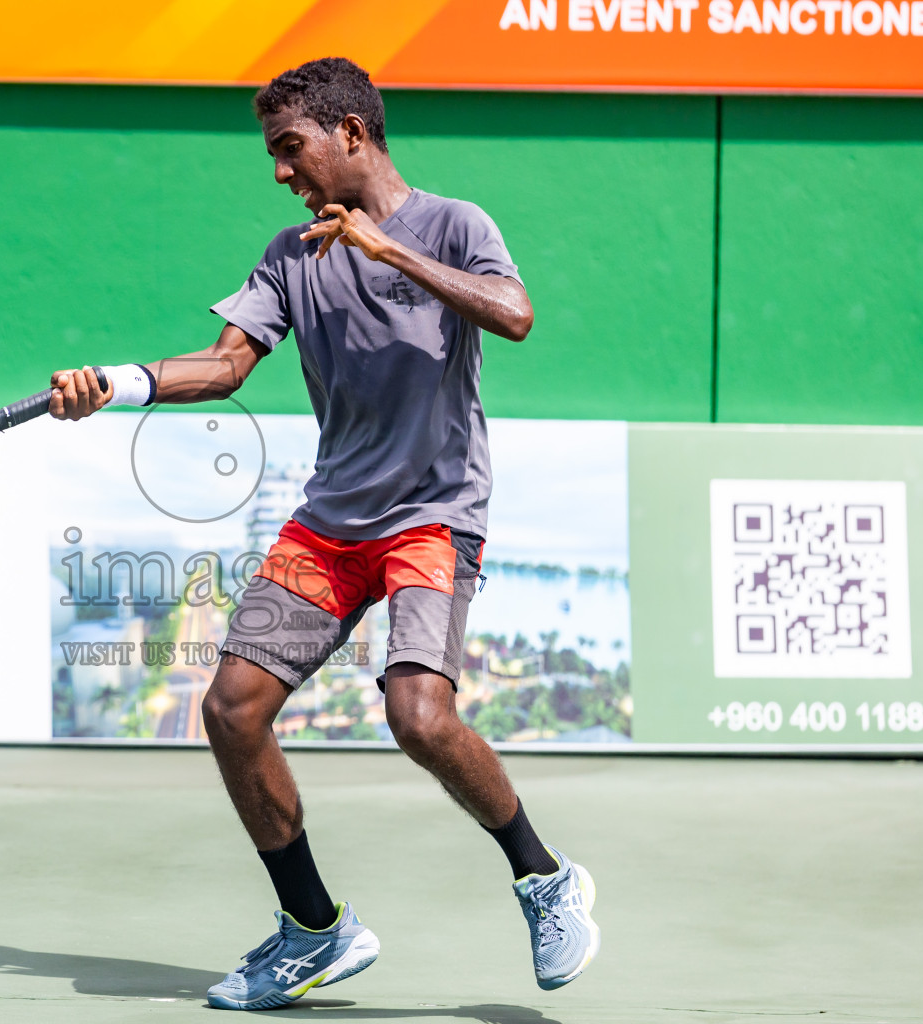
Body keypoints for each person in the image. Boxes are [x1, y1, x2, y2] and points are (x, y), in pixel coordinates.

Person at [48, 56, 598, 1011]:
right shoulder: (290, 254)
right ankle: (312, 930)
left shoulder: (455, 224)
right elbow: (223, 369)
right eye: (273, 154)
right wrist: (118, 381)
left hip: (433, 514)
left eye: (289, 148)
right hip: (331, 524)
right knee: (230, 709)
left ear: (350, 133)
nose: (279, 170)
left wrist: (392, 253)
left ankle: (545, 879)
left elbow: (515, 314)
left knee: (419, 718)